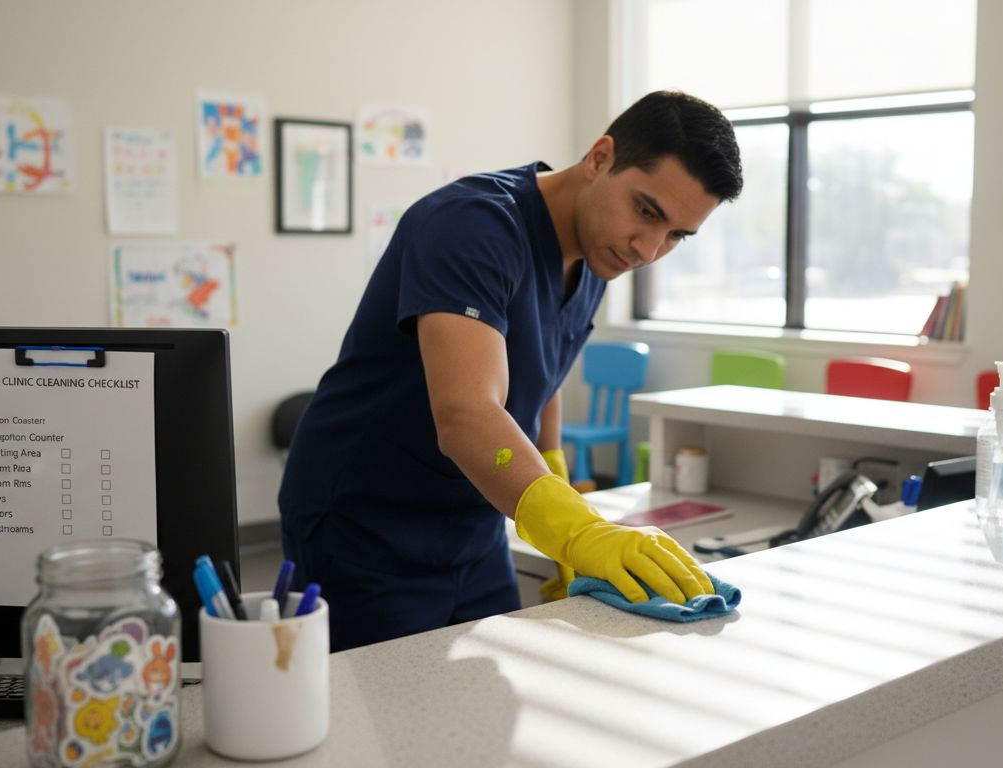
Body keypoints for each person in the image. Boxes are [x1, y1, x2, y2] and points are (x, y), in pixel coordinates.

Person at [279, 90, 743, 651]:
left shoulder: (601, 251)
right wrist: (577, 530)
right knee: (380, 715)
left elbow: (542, 369)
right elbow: (467, 413)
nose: (648, 250)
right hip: (364, 518)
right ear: (600, 158)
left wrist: (557, 487)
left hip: (475, 514)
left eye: (676, 235)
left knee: (489, 705)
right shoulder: (471, 226)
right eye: (647, 211)